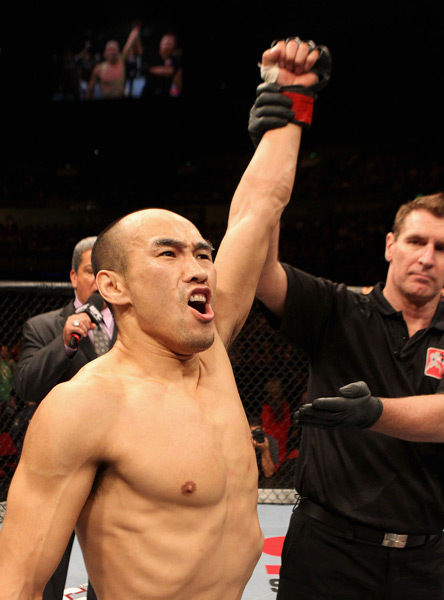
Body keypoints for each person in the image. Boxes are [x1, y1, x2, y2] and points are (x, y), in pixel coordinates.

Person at [0, 38, 329, 598]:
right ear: (113, 286)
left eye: (202, 252)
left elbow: (258, 209)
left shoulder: (214, 352)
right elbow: (19, 583)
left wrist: (290, 101)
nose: (199, 266)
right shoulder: (86, 406)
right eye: (168, 253)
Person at [255, 90, 444, 599]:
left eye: (441, 248)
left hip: (426, 559)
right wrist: (269, 159)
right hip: (327, 552)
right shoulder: (338, 309)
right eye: (415, 241)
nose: (426, 258)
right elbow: (262, 272)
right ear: (389, 245)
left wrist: (375, 412)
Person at [12, 236, 117, 600]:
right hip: (59, 466)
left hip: (116, 464)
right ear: (74, 276)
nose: (99, 281)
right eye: (90, 271)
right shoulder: (42, 327)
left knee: (111, 570)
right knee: (47, 569)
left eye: (108, 273)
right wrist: (66, 343)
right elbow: (26, 384)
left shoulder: (136, 329)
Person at [85, 23, 142, 100]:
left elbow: (131, 41)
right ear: (105, 53)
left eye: (115, 49)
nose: (113, 52)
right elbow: (90, 89)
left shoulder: (121, 62)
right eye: (110, 49)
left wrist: (136, 29)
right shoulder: (99, 68)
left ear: (118, 53)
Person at [141, 31, 183, 97]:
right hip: (148, 92)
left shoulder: (175, 59)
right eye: (165, 43)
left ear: (174, 46)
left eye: (170, 44)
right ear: (161, 43)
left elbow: (171, 72)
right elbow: (144, 68)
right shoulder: (151, 55)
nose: (166, 46)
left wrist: (151, 70)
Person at [248, 414, 279, 479]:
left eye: (257, 433)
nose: (255, 436)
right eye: (253, 433)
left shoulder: (269, 441)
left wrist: (265, 450)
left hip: (264, 480)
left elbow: (268, 473)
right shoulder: (242, 441)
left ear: (263, 430)